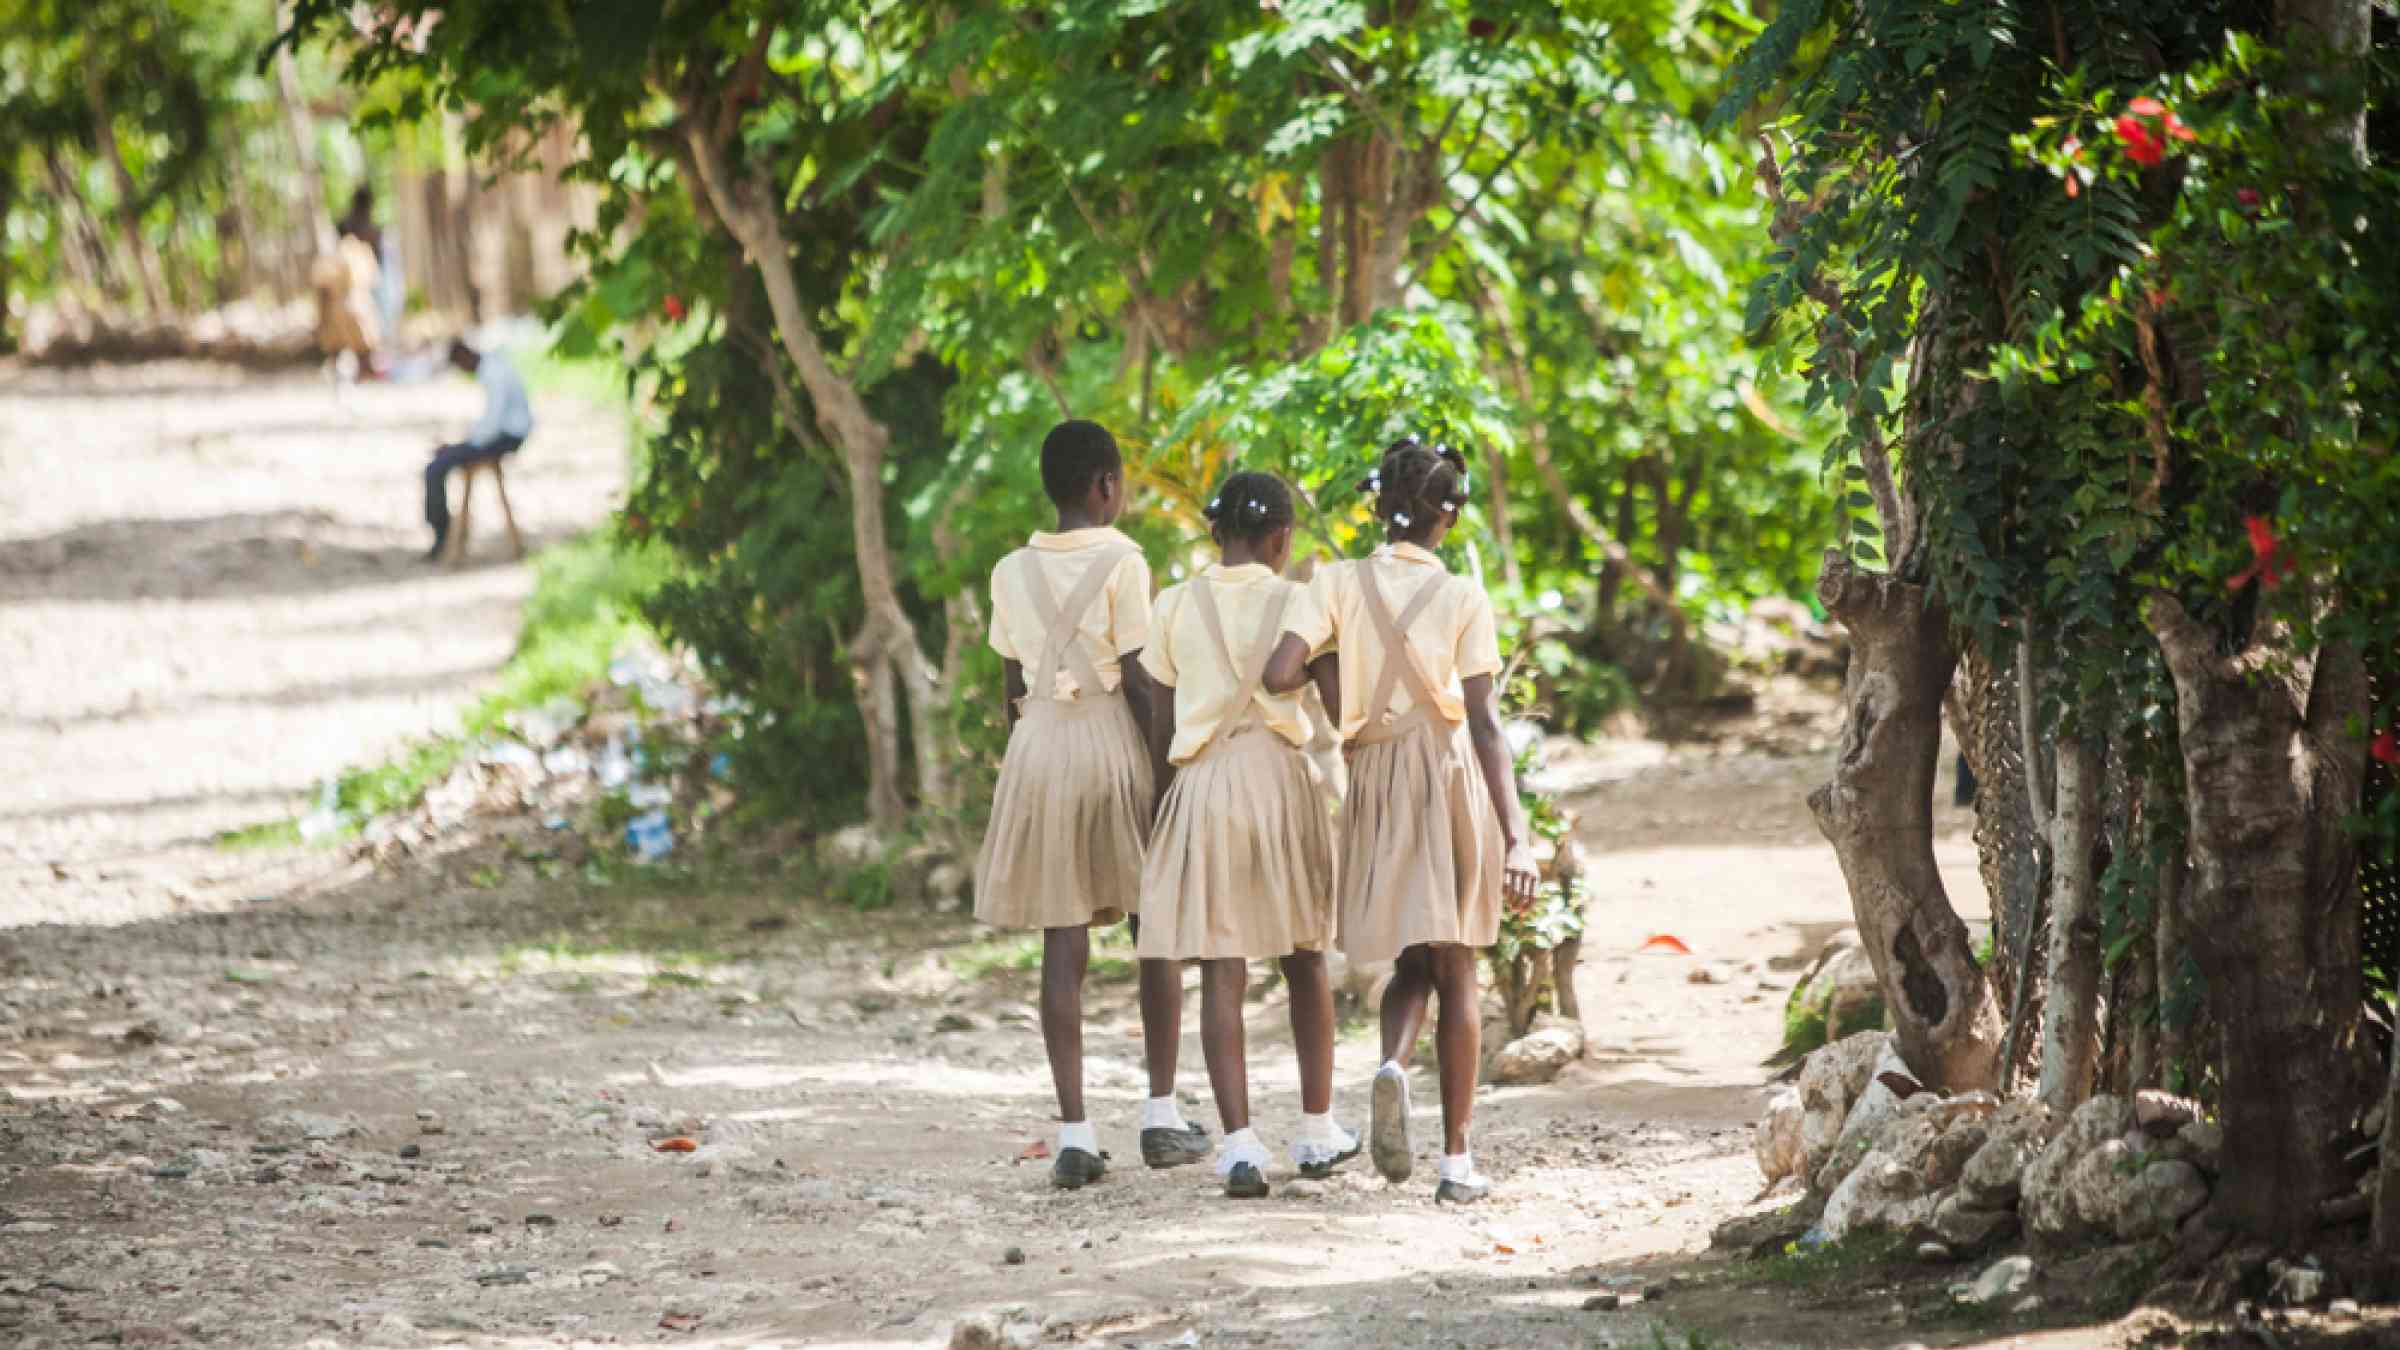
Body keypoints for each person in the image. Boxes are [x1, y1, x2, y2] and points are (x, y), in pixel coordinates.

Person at [1262, 436, 1540, 1206]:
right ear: (1446, 516)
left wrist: (1339, 696)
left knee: (1410, 958)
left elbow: (1279, 671)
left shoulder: (1338, 582)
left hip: (1374, 770)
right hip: (1445, 769)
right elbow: (1485, 723)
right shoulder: (1461, 596)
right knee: (1457, 966)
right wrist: (1517, 833)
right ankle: (1456, 1163)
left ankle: (1391, 1065)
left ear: (1378, 507)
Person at [975, 419, 1210, 1190]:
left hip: (1038, 745)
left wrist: (1040, 733)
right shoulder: (1125, 560)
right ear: (1106, 485)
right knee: (1156, 928)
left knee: (1062, 937)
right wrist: (1165, 768)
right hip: (1111, 741)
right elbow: (1142, 679)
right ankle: (1161, 1115)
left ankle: (1075, 1133)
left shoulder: (1010, 570)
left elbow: (1008, 686)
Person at [1135, 470, 1359, 1199]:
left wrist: (1166, 810)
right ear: (1281, 539)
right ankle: (1318, 1129)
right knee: (1305, 958)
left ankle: (1239, 1147)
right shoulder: (1299, 599)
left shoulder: (1172, 604)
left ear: (1214, 532)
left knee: (1221, 969)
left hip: (1202, 783)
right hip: (1280, 780)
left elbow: (1159, 718)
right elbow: (1330, 698)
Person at [423, 339, 532, 561]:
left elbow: (491, 427)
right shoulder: (494, 368)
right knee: (441, 460)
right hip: (503, 435)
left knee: (435, 468)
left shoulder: (494, 374)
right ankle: (442, 533)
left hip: (506, 437)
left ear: (464, 357)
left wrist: (459, 446)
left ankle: (442, 536)